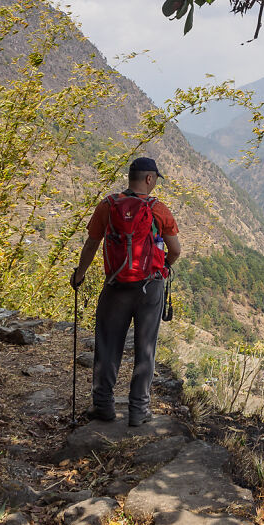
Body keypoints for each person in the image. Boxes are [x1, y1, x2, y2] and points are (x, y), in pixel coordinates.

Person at [70, 157, 181, 425]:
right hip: (150, 288)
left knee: (108, 345)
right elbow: (175, 250)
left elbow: (91, 244)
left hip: (115, 286)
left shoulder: (107, 206)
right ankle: (138, 410)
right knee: (145, 349)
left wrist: (79, 274)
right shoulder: (158, 209)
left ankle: (103, 406)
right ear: (150, 179)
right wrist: (162, 266)